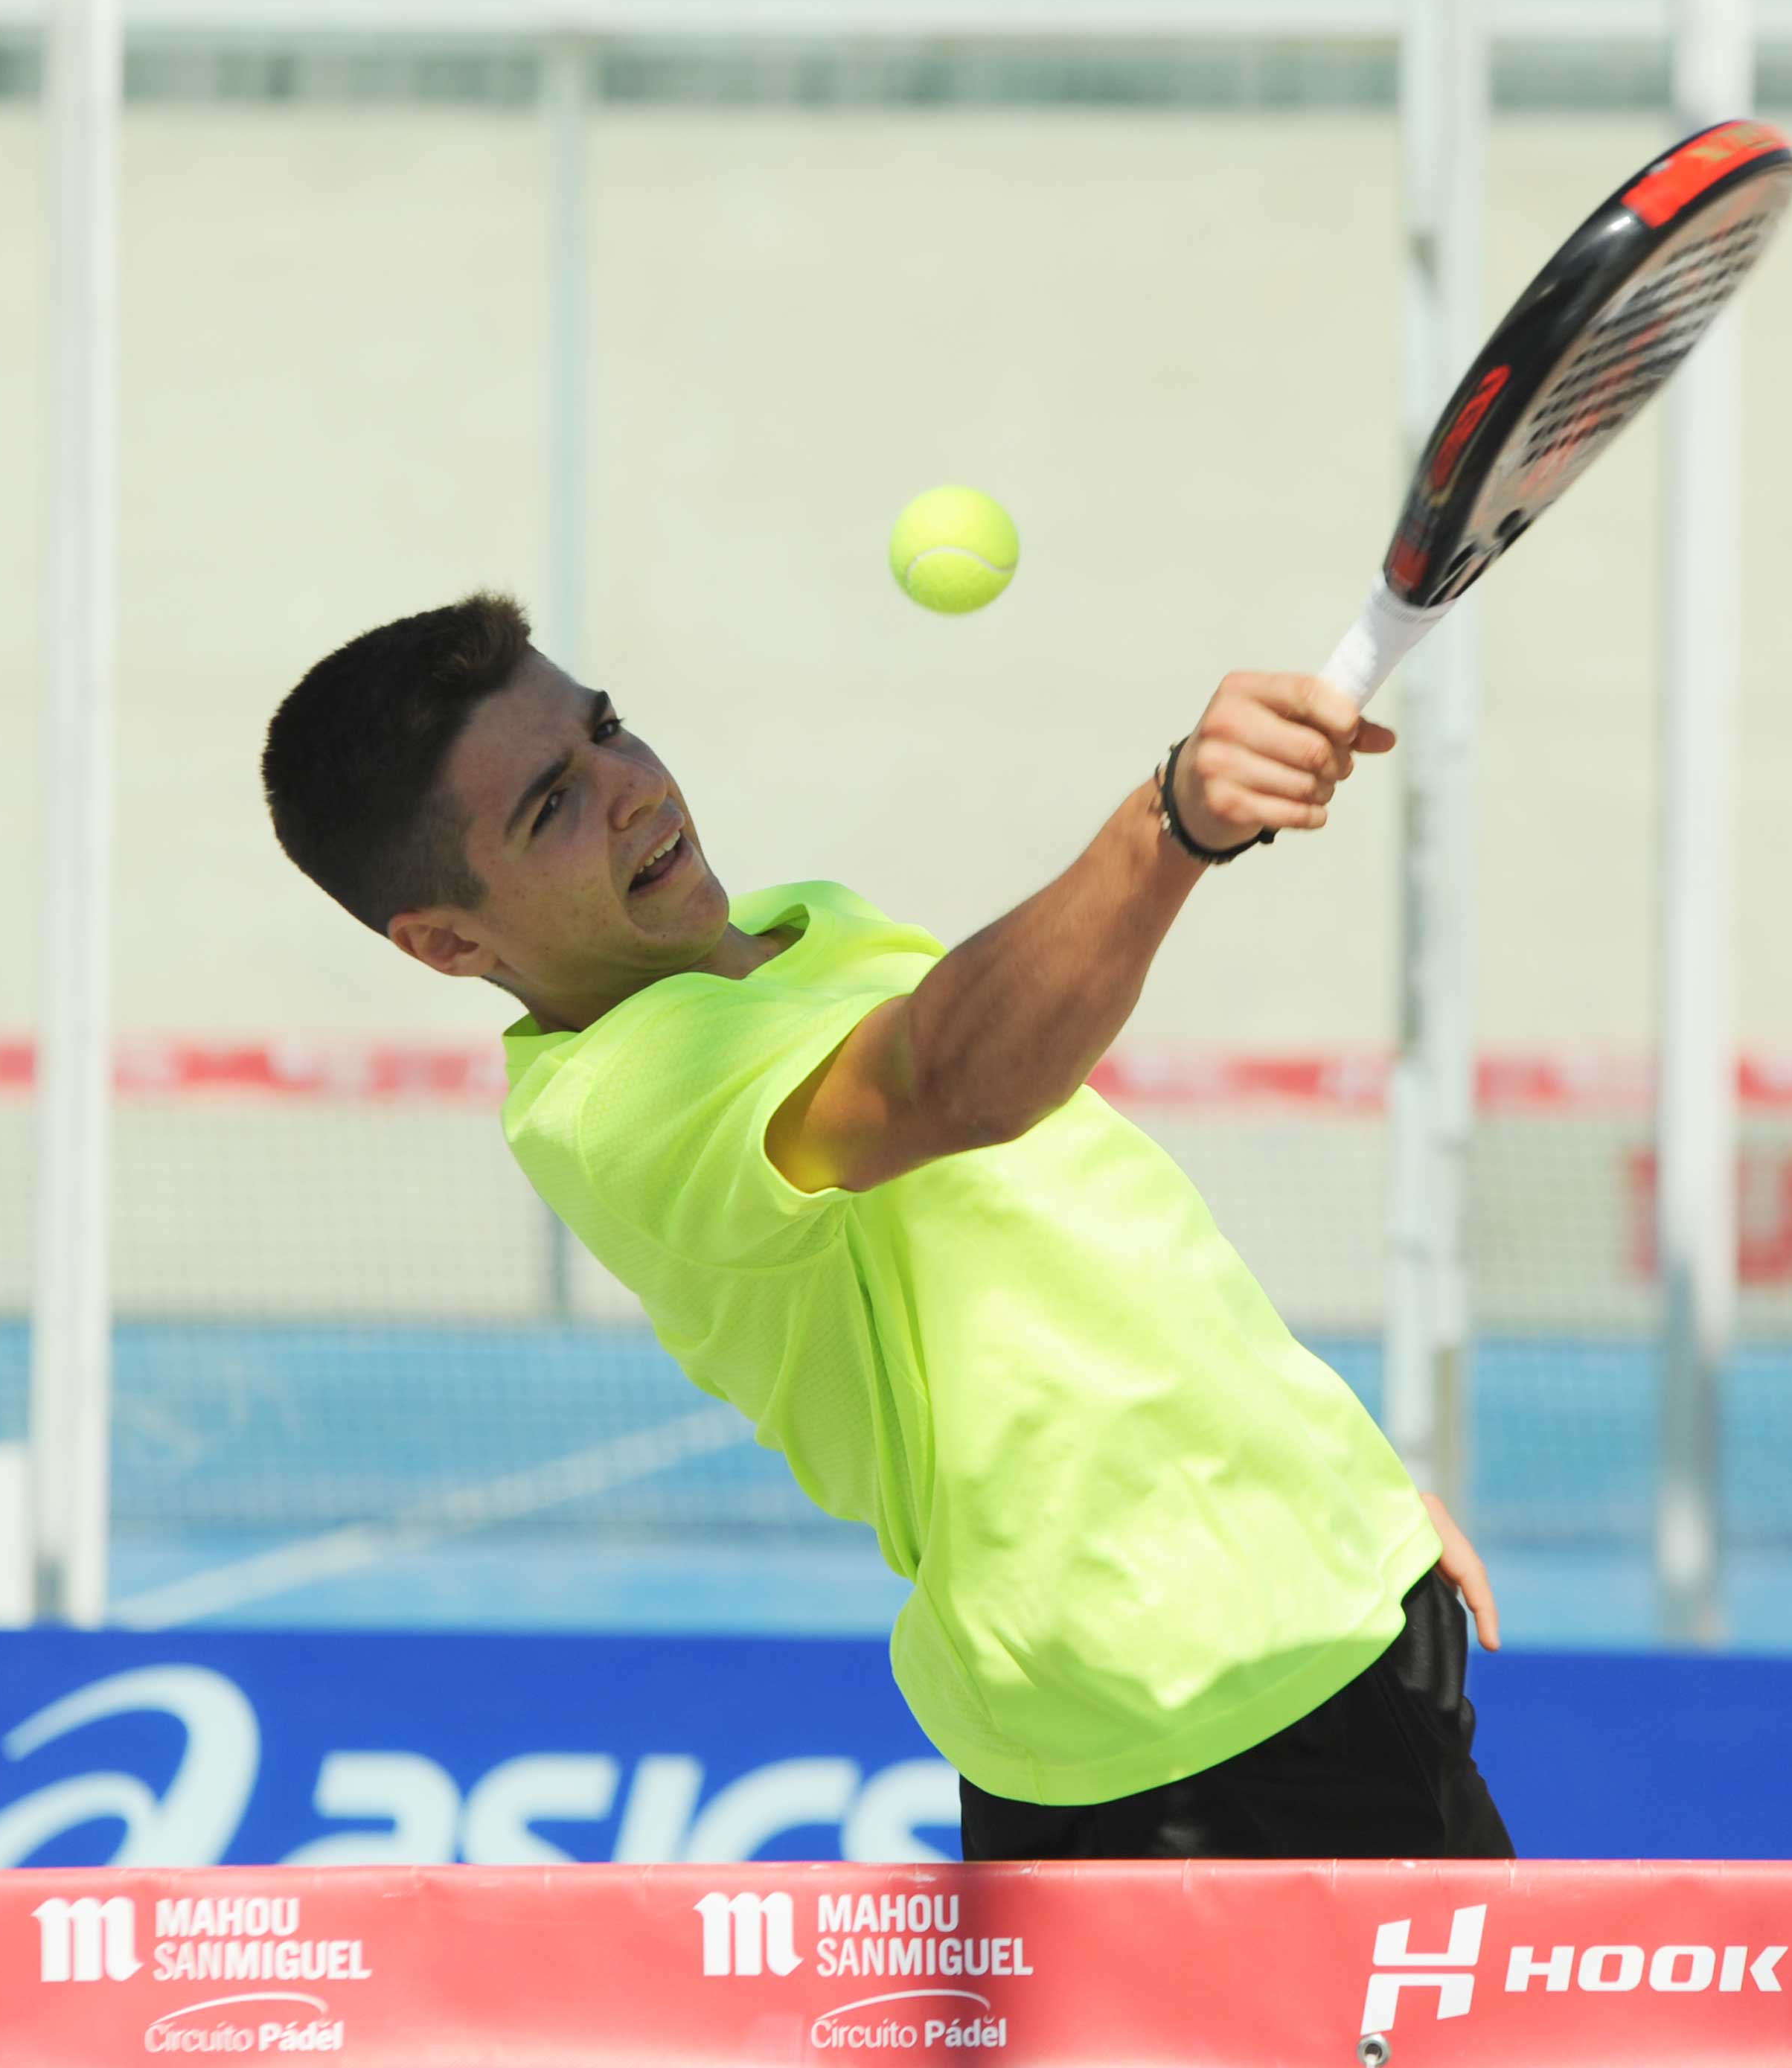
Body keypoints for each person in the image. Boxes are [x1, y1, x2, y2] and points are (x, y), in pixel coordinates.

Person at [260, 592, 1511, 1862]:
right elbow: (951, 1079)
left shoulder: (808, 927)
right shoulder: (621, 1101)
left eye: (608, 730)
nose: (631, 790)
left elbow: (1081, 1246)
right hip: (1176, 1715)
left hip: (1331, 1603)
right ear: (448, 941)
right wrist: (1171, 821)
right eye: (552, 806)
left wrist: (1339, 1498)